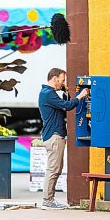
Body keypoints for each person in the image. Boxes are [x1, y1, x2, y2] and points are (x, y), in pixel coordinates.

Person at [38, 68, 88, 210]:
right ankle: (47, 200)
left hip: (55, 135)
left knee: (56, 168)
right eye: (62, 80)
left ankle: (49, 199)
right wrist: (81, 96)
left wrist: (66, 92)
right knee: (53, 169)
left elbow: (63, 104)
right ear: (54, 79)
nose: (63, 82)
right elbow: (66, 106)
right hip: (54, 136)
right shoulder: (48, 94)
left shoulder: (49, 94)